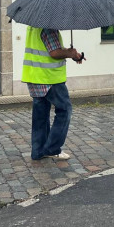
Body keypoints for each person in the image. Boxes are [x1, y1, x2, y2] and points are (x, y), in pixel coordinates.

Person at [22, 26, 84, 161]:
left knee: (40, 116)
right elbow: (54, 53)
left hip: (34, 77)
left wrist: (72, 54)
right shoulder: (48, 28)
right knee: (65, 110)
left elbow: (46, 50)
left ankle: (38, 152)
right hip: (50, 79)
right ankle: (52, 149)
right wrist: (70, 53)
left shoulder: (33, 27)